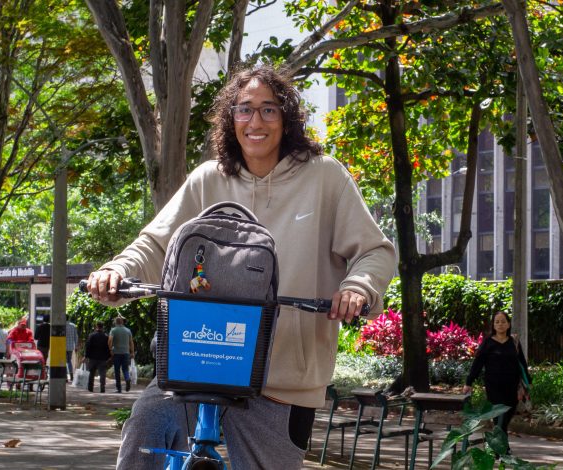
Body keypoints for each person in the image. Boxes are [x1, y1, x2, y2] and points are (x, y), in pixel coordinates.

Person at [85, 64, 396, 469]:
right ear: (230, 119)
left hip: (284, 379)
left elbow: (376, 251)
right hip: (195, 365)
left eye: (269, 109)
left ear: (287, 118)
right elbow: (155, 244)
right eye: (244, 109)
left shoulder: (325, 178)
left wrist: (358, 287)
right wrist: (117, 270)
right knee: (144, 431)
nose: (256, 121)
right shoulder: (206, 180)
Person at [463, 311, 530, 447]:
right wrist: (469, 382)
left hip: (512, 388)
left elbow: (522, 363)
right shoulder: (488, 342)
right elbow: (478, 363)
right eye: (497, 322)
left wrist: (528, 383)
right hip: (494, 388)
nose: (500, 324)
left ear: (508, 324)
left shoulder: (514, 342)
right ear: (493, 325)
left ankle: (499, 448)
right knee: (499, 419)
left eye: (503, 321)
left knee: (505, 419)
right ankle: (503, 450)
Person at [108, 316, 134, 393]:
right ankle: (127, 378)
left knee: (117, 370)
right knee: (125, 369)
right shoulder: (128, 330)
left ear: (116, 322)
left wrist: (110, 349)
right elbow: (131, 342)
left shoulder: (113, 330)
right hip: (126, 353)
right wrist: (132, 352)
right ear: (122, 322)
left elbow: (110, 340)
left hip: (116, 353)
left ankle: (119, 388)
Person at [85, 321, 110, 393]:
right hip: (102, 358)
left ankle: (90, 388)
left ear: (96, 326)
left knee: (91, 373)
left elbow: (88, 346)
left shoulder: (92, 335)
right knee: (102, 373)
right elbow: (107, 347)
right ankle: (102, 388)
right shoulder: (106, 336)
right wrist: (108, 356)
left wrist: (86, 356)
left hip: (92, 357)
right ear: (103, 327)